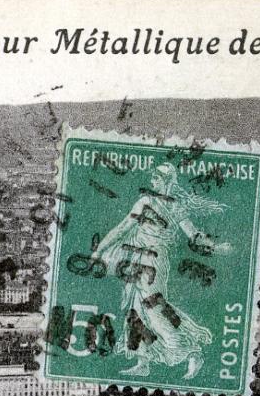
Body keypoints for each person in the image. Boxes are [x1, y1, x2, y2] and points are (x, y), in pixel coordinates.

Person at [92, 162, 232, 379]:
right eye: (153, 178)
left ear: (167, 181)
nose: (152, 182)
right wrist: (99, 250)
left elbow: (193, 235)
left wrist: (216, 246)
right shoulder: (145, 202)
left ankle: (191, 352)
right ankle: (143, 360)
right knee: (135, 308)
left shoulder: (175, 207)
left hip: (155, 264)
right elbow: (122, 228)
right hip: (136, 260)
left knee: (154, 310)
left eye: (156, 178)